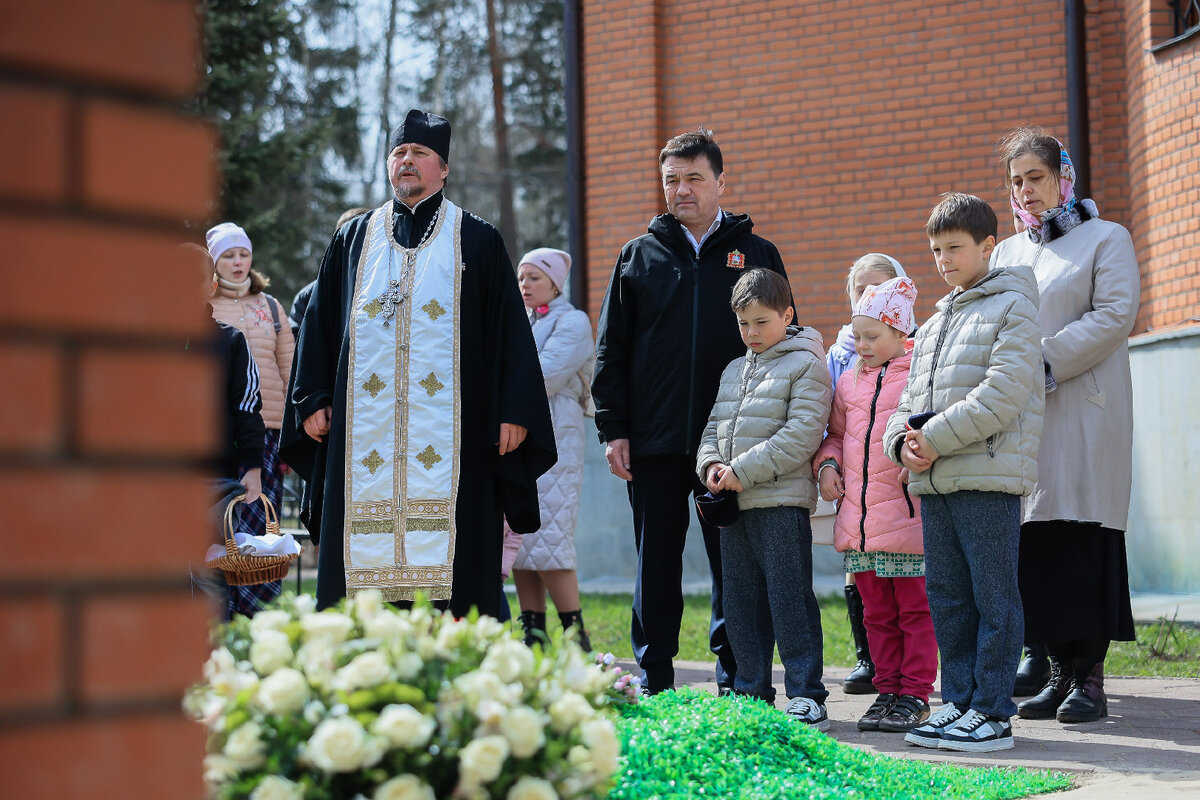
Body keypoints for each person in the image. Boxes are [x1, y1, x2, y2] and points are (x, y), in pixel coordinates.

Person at [280, 109, 555, 616]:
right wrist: (313, 398)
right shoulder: (353, 239)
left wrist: (514, 409)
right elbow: (320, 326)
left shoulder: (477, 239)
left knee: (459, 565)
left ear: (443, 168)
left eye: (420, 154)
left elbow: (509, 336)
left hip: (458, 442)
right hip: (365, 439)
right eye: (400, 153)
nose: (407, 161)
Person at [592, 127, 790, 695]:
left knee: (735, 567)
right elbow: (613, 350)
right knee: (656, 565)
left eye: (693, 178)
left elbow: (782, 342)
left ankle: (741, 681)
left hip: (733, 444)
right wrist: (614, 429)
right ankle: (653, 679)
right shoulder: (638, 255)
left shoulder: (756, 253)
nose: (681, 189)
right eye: (671, 180)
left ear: (720, 182)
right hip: (652, 442)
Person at [884, 193, 1043, 752]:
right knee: (947, 597)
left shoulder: (1014, 306)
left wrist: (932, 438)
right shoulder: (929, 328)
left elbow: (1002, 394)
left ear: (987, 246)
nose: (943, 259)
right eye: (935, 250)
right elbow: (904, 404)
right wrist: (902, 445)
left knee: (992, 598)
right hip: (935, 481)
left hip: (988, 477)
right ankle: (957, 702)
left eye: (954, 247)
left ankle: (993, 712)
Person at [991, 130, 1139, 724]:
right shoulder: (1006, 252)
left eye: (1036, 176)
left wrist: (1041, 361)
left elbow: (1114, 313)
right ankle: (1056, 674)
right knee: (1040, 544)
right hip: (1024, 417)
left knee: (1083, 537)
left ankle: (1091, 680)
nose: (1026, 189)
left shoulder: (1106, 237)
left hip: (1084, 409)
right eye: (1017, 180)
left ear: (1062, 176)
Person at [695, 268, 832, 727]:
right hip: (735, 507)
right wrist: (711, 466)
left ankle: (807, 693)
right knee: (740, 602)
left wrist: (741, 471)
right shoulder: (734, 369)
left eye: (762, 322)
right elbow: (713, 428)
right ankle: (751, 690)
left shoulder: (806, 363)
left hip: (780, 504)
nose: (751, 333)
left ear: (787, 314)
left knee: (789, 599)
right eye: (743, 324)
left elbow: (803, 434)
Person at [814, 275, 937, 733]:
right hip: (860, 524)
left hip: (905, 523)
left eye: (872, 336)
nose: (861, 344)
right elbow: (836, 437)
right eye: (857, 334)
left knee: (914, 612)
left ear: (899, 334)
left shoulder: (919, 378)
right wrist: (826, 466)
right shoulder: (847, 384)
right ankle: (887, 691)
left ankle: (916, 693)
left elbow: (926, 429)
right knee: (876, 614)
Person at [825, 252, 908, 695]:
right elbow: (833, 425)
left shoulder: (909, 359)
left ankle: (909, 683)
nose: (868, 296)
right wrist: (828, 463)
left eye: (879, 287)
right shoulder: (841, 358)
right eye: (860, 289)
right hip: (856, 495)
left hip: (898, 497)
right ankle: (871, 664)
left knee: (907, 595)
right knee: (864, 584)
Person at [206, 222, 295, 614]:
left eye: (243, 254)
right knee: (228, 527)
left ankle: (260, 615)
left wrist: (294, 431)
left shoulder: (271, 306)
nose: (238, 262)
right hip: (232, 434)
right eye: (228, 255)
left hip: (270, 430)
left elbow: (290, 368)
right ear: (213, 265)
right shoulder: (209, 309)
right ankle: (227, 610)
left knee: (264, 530)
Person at [511, 247, 595, 650]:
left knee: (551, 539)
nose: (525, 285)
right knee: (523, 539)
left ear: (556, 283)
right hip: (518, 442)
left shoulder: (573, 321)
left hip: (557, 444)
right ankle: (534, 633)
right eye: (521, 278)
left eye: (534, 278)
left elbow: (543, 376)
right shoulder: (519, 321)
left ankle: (575, 634)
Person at [181, 244, 266, 620]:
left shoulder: (230, 341)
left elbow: (247, 405)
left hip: (215, 480)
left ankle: (217, 659)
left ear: (211, 286)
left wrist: (253, 467)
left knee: (208, 572)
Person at [290, 207, 373, 337]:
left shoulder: (388, 289)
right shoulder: (309, 296)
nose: (355, 247)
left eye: (362, 240)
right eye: (349, 239)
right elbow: (297, 343)